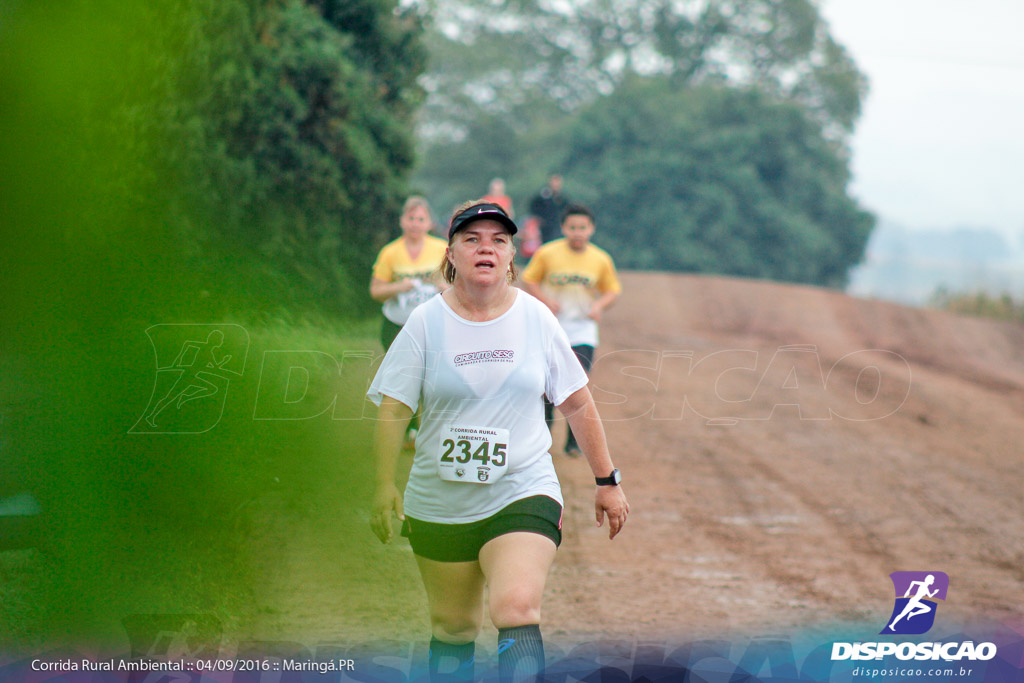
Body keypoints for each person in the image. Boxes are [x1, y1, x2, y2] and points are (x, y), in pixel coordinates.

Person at [367, 200, 629, 683]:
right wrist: (384, 484)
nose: (485, 248)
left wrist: (606, 479)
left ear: (511, 258)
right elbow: (395, 407)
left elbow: (576, 402)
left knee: (515, 606)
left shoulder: (536, 319)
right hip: (440, 498)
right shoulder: (425, 323)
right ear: (451, 254)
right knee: (453, 627)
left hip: (522, 486)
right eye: (472, 239)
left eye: (498, 240)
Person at [521, 204, 621, 457]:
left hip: (582, 331)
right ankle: (542, 438)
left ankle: (573, 443)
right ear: (564, 228)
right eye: (573, 227)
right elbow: (529, 278)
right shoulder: (547, 253)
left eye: (583, 228)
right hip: (550, 328)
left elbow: (612, 289)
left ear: (591, 229)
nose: (578, 232)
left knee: (576, 386)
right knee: (545, 385)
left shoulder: (600, 259)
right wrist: (544, 300)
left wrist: (599, 305)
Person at [369, 196, 449, 350]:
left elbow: (461, 285)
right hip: (396, 325)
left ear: (429, 223)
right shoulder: (389, 252)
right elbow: (375, 291)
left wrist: (447, 289)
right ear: (402, 221)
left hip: (432, 326)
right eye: (411, 218)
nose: (415, 224)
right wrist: (398, 287)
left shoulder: (442, 249)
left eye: (420, 219)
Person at [527, 174, 568, 244]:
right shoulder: (542, 196)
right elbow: (533, 207)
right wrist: (538, 218)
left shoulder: (562, 198)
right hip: (544, 227)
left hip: (557, 226)